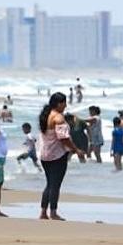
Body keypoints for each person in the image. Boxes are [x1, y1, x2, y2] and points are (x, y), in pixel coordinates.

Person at [39, 92, 82, 220]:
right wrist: (75, 149)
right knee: (55, 185)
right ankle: (53, 212)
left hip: (44, 154)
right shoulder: (58, 118)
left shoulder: (45, 115)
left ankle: (43, 212)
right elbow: (63, 138)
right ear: (59, 103)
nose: (65, 106)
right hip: (57, 155)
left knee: (49, 184)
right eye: (64, 103)